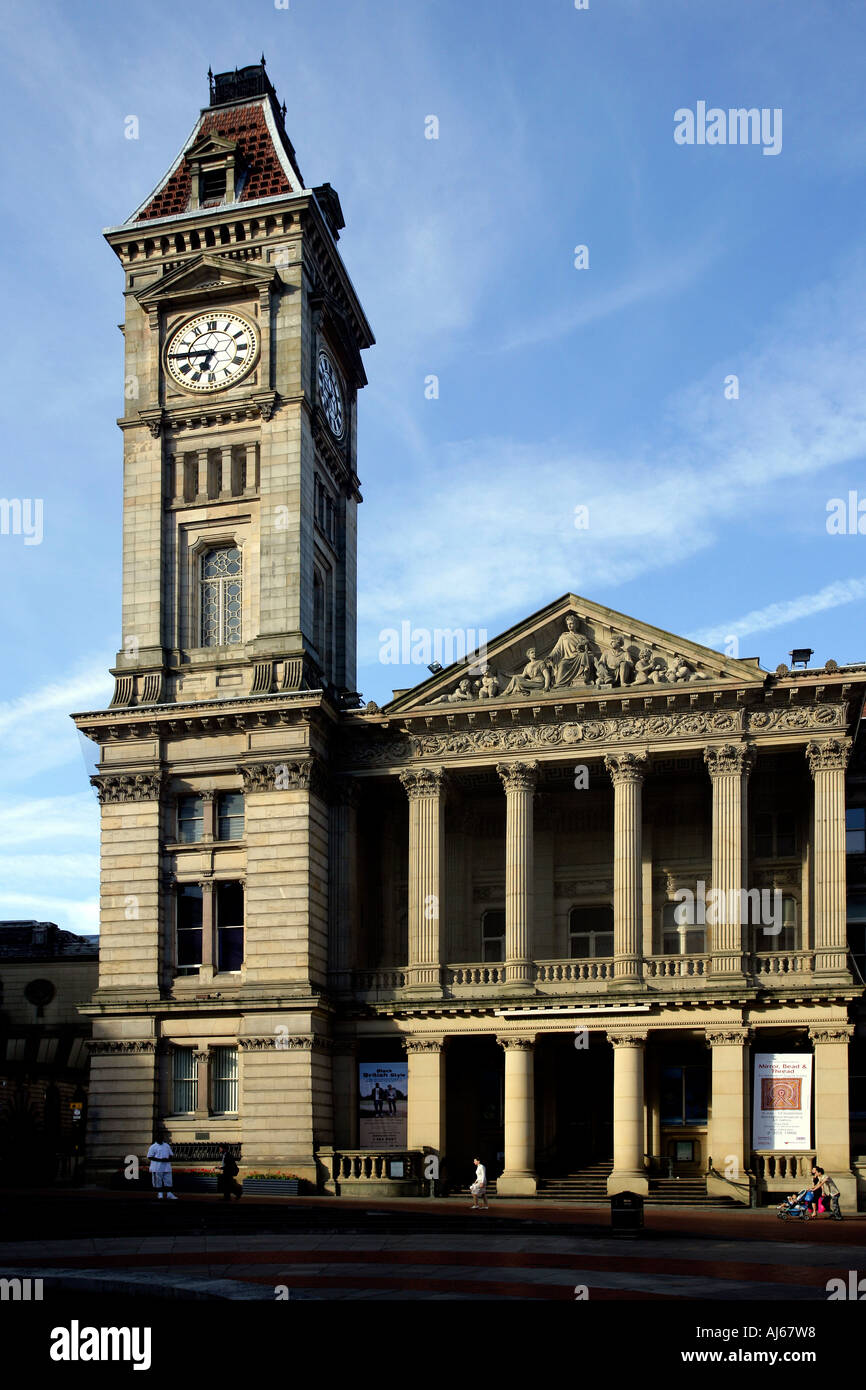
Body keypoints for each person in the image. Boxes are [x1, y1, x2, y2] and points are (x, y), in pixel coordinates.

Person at [146, 1134, 177, 1200]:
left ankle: (169, 1194)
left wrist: (168, 1159)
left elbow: (171, 1154)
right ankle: (160, 1194)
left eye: (161, 1138)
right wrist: (160, 1160)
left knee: (168, 1181)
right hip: (157, 1167)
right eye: (159, 1138)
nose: (160, 1139)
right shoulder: (153, 1147)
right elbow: (150, 1156)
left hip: (166, 1166)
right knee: (158, 1181)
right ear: (156, 1139)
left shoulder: (166, 1146)